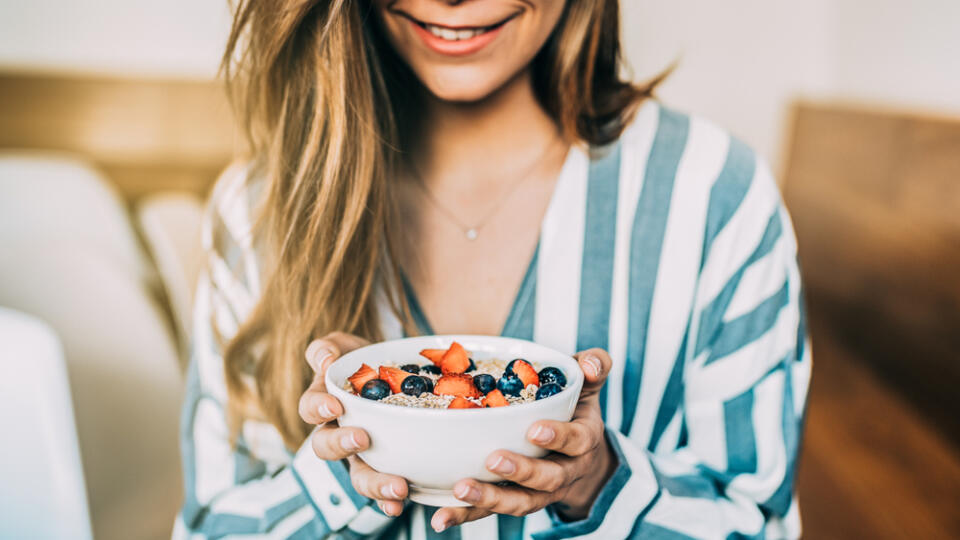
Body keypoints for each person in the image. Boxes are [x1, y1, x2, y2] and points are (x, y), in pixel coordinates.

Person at [175, 0, 811, 538]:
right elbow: (214, 523)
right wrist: (343, 467)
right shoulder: (259, 211)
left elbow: (757, 517)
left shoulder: (715, 197)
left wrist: (596, 483)